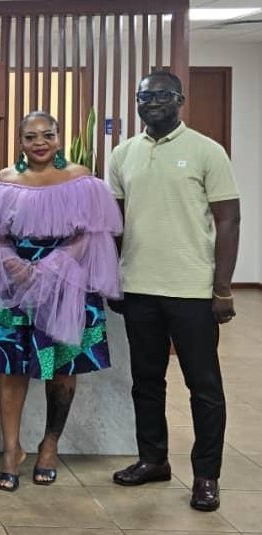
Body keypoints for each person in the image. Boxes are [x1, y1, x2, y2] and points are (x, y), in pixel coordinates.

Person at [0, 111, 122, 492]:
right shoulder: (3, 182)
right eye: (31, 136)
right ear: (20, 142)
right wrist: (12, 263)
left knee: (62, 370)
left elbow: (95, 232)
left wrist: (56, 264)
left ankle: (49, 446)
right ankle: (10, 451)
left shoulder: (83, 179)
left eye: (47, 135)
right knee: (11, 368)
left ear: (58, 138)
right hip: (13, 285)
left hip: (68, 286)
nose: (40, 143)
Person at [108, 70, 241, 512]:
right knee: (146, 383)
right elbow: (115, 226)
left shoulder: (206, 150)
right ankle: (153, 460)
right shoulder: (123, 153)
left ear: (180, 100)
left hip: (192, 290)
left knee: (203, 386)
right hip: (139, 288)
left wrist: (222, 288)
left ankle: (206, 476)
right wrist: (114, 278)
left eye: (162, 95)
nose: (152, 102)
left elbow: (228, 220)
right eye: (145, 96)